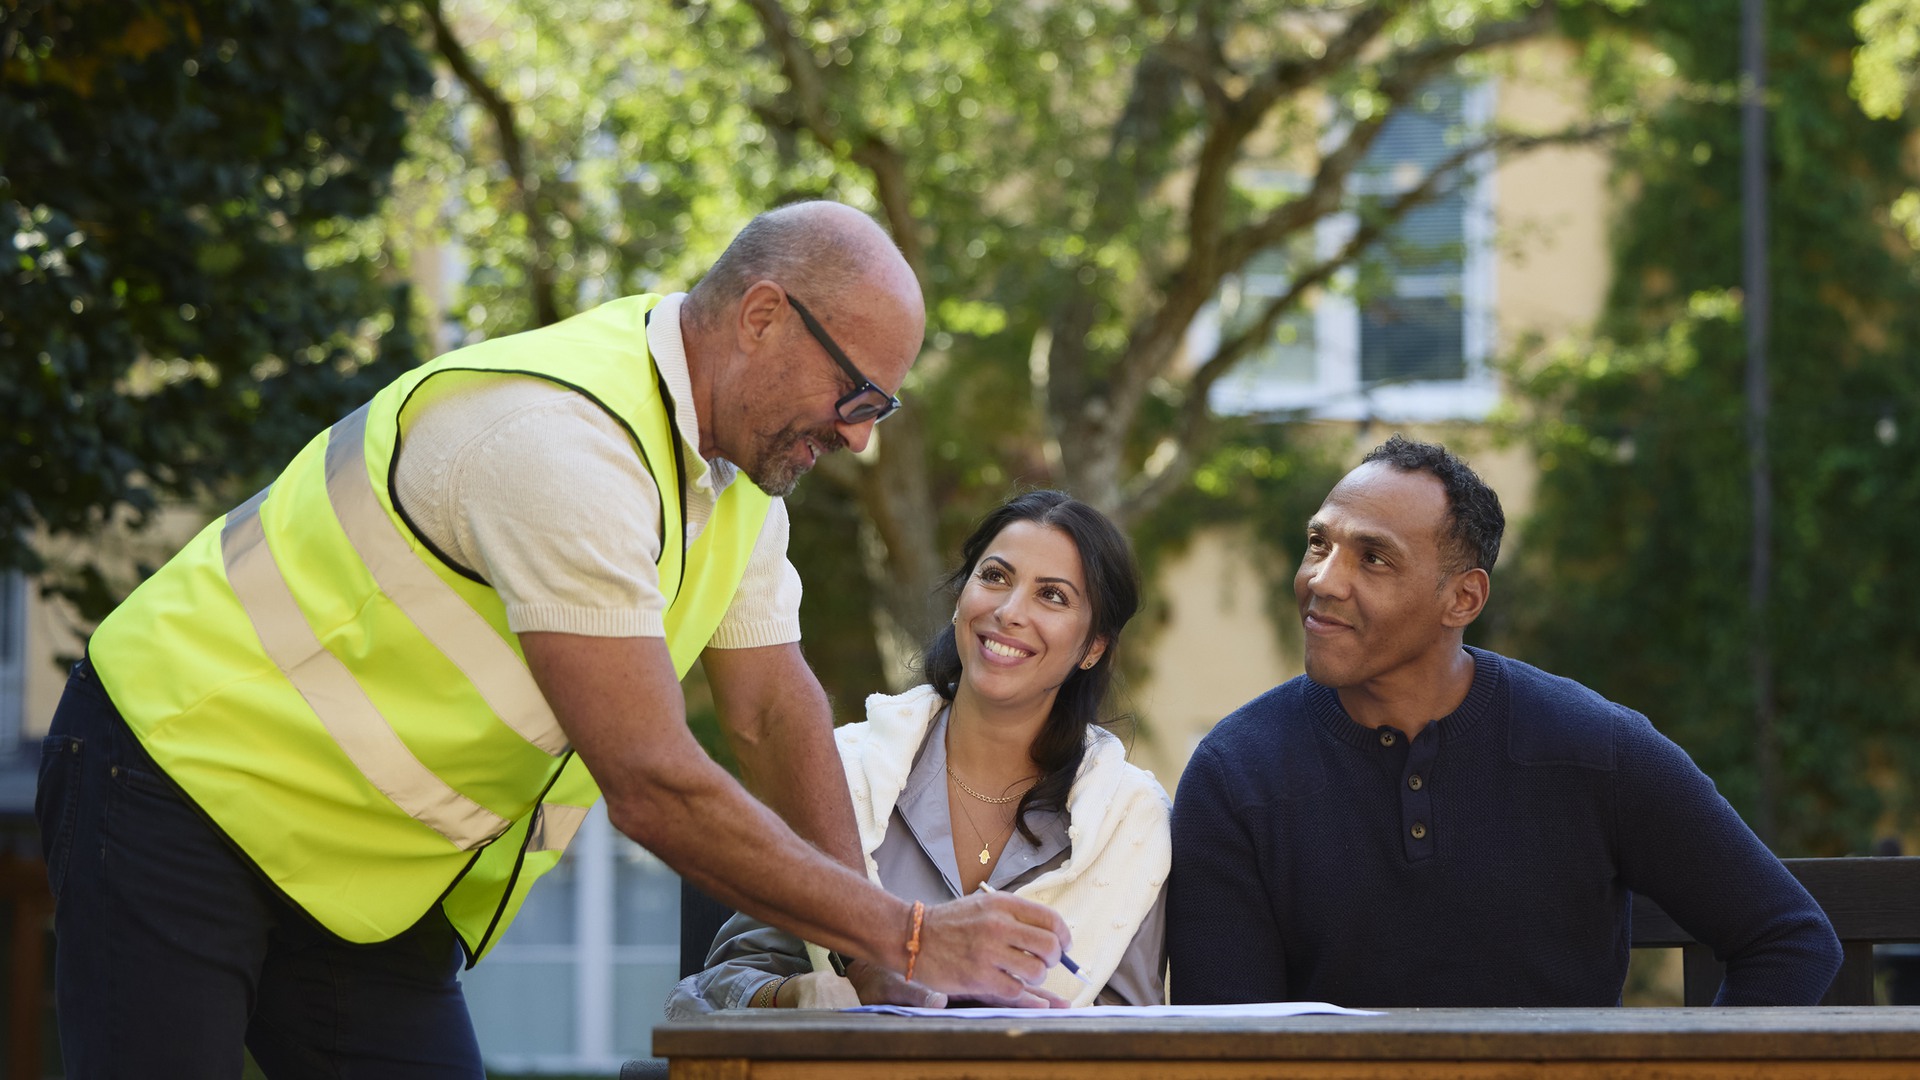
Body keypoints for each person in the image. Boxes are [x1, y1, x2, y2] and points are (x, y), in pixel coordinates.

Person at [33, 201, 1073, 1079]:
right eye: (856, 396)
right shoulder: (561, 445)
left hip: (355, 874)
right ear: (762, 318)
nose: (859, 436)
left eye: (880, 408)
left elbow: (768, 707)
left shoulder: (735, 482)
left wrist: (878, 959)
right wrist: (911, 935)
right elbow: (653, 783)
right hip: (175, 774)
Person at [1168, 435, 1843, 1007]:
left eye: (1372, 558)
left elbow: (1788, 939)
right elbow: (1230, 1045)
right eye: (1320, 544)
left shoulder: (1595, 747)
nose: (1323, 579)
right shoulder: (1236, 772)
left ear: (1463, 598)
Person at [668, 490, 1170, 1015]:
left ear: (1094, 648)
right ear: (961, 598)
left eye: (1053, 596)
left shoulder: (1128, 823)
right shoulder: (838, 774)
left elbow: (1142, 1043)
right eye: (995, 576)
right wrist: (798, 994)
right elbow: (699, 997)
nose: (1008, 611)